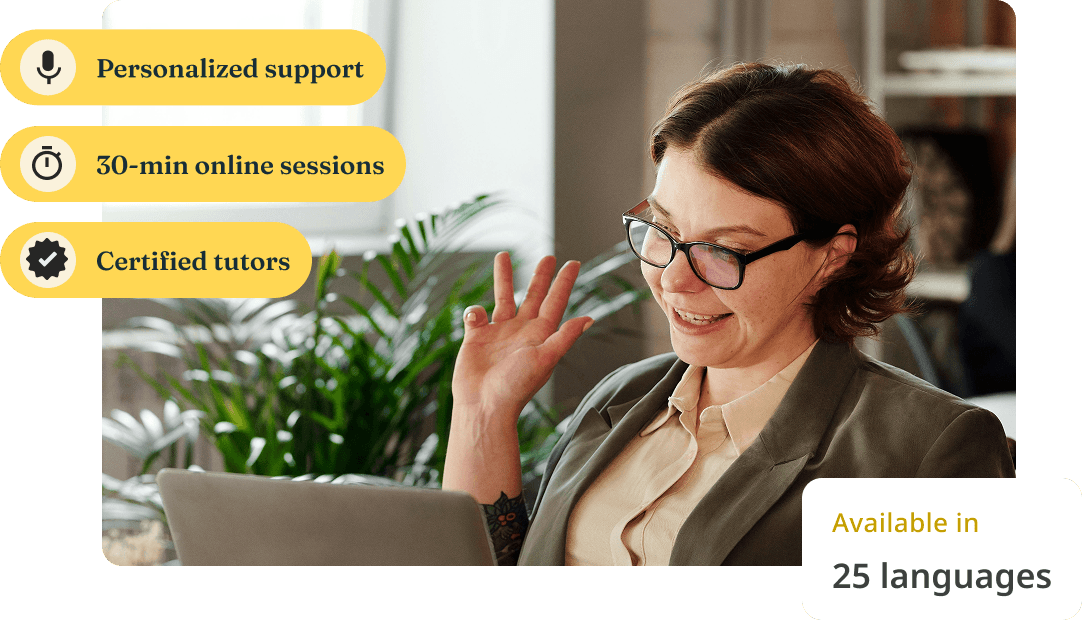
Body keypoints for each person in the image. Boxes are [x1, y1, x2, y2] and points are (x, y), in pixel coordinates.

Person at [443, 63, 1015, 566]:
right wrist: (484, 413)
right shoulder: (621, 399)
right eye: (664, 231)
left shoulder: (926, 447)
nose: (673, 279)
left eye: (723, 250)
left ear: (830, 257)